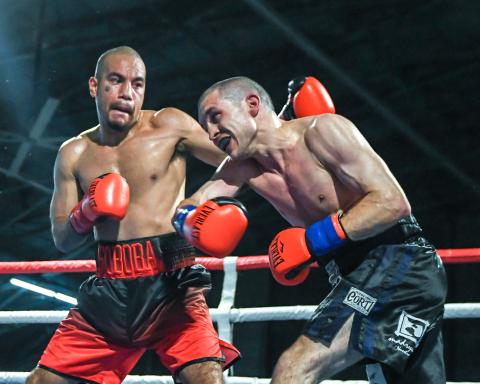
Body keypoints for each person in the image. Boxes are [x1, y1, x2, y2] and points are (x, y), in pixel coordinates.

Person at [173, 76, 447, 383]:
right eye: (205, 125)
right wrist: (190, 223)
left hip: (400, 261)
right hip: (351, 273)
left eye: (215, 117)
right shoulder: (241, 167)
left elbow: (393, 202)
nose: (210, 133)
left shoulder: (322, 131)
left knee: (294, 369)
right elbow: (187, 209)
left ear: (251, 104)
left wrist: (312, 242)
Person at [26, 46, 242, 384]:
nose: (128, 93)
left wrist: (205, 200)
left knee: (205, 378)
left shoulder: (168, 125)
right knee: (42, 382)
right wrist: (86, 211)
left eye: (137, 84)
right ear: (94, 86)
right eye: (116, 80)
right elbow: (62, 240)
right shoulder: (74, 153)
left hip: (172, 284)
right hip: (109, 292)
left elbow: (240, 158)